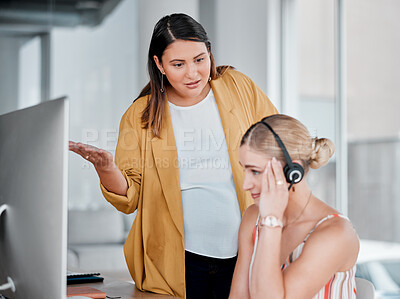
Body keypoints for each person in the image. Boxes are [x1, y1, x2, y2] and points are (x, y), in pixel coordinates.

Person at [69, 13, 277, 299]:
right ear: (159, 64)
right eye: (178, 64)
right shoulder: (140, 115)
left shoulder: (237, 87)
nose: (193, 73)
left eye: (200, 59)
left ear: (209, 52)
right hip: (178, 261)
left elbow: (278, 140)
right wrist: (106, 168)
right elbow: (131, 198)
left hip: (245, 252)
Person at [229, 114, 359, 299]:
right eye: (245, 170)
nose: (246, 184)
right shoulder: (252, 217)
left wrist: (271, 220)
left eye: (255, 171)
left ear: (292, 172)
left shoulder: (336, 233)